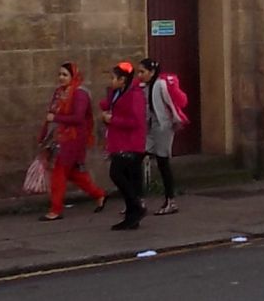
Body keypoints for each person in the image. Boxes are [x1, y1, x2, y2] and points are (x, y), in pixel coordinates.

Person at [39, 62, 106, 221]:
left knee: (59, 172)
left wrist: (56, 118)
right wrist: (44, 135)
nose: (61, 78)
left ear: (73, 76)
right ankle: (99, 194)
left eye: (65, 75)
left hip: (73, 138)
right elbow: (50, 115)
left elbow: (78, 117)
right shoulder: (59, 92)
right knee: (73, 173)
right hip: (59, 137)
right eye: (60, 74)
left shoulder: (80, 93)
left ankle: (55, 209)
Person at [98, 61, 148, 230]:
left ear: (123, 80)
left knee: (117, 174)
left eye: (113, 78)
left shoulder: (134, 95)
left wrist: (112, 119)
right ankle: (132, 215)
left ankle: (136, 207)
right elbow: (111, 105)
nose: (111, 81)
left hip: (131, 144)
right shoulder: (117, 92)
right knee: (127, 178)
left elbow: (135, 121)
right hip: (119, 141)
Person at [138, 58, 179, 216]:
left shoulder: (160, 85)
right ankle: (138, 200)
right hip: (150, 129)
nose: (140, 75)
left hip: (162, 127)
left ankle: (170, 200)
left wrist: (176, 120)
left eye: (143, 72)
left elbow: (171, 104)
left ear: (152, 72)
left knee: (163, 163)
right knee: (137, 158)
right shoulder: (144, 87)